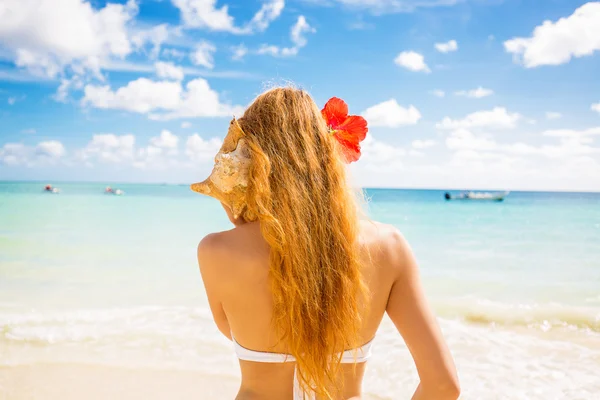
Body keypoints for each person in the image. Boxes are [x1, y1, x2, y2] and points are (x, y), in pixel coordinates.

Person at [192, 88, 459, 400]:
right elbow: (444, 385)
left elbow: (232, 330)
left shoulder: (216, 251)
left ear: (250, 160)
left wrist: (242, 215)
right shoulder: (389, 245)